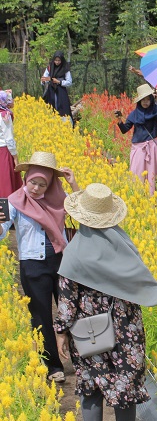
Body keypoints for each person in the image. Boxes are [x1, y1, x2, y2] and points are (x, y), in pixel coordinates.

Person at [54, 183, 157, 421]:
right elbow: (140, 282)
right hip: (126, 327)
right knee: (125, 388)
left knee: (92, 387)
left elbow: (67, 299)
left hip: (90, 328)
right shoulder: (124, 247)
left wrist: (61, 332)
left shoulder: (75, 252)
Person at [0, 151, 80, 383]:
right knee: (41, 316)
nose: (35, 188)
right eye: (33, 182)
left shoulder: (58, 199)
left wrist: (73, 183)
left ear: (50, 184)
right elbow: (4, 228)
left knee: (70, 311)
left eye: (42, 184)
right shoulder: (14, 200)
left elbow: (84, 210)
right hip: (33, 265)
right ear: (26, 179)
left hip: (61, 260)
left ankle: (80, 360)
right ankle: (53, 365)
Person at [116, 84, 157, 195]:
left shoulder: (154, 112)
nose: (145, 102)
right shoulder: (134, 114)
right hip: (138, 148)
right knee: (137, 173)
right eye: (143, 100)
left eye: (148, 99)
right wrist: (120, 120)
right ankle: (138, 197)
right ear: (139, 101)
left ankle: (151, 198)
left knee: (152, 175)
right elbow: (125, 130)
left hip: (152, 147)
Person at [0, 90, 21, 197]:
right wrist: (15, 157)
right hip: (4, 152)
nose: (12, 102)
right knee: (6, 183)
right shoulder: (5, 116)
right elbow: (9, 139)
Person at [41, 51, 73, 122]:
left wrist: (59, 82)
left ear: (62, 60)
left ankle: (66, 125)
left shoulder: (65, 68)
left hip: (61, 92)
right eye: (55, 60)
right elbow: (45, 78)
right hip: (51, 91)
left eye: (59, 60)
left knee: (64, 110)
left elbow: (69, 82)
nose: (57, 62)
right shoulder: (50, 67)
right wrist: (43, 80)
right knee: (51, 109)